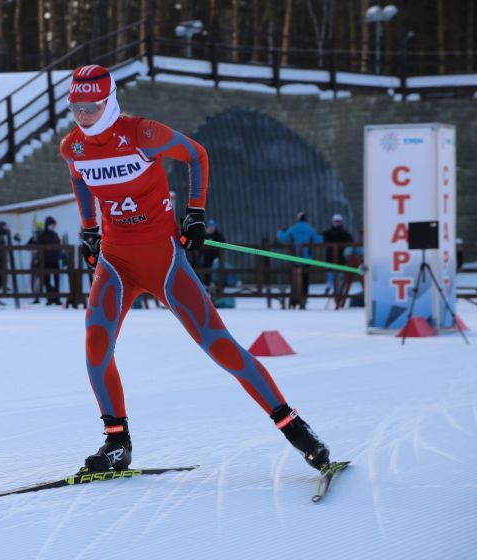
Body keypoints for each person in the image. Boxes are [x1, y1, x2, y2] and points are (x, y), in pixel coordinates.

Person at [59, 64, 331, 474]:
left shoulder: (142, 133)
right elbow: (79, 179)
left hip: (164, 262)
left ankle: (295, 428)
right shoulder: (73, 146)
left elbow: (197, 154)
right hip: (115, 262)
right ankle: (116, 442)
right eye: (76, 108)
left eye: (92, 108)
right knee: (96, 347)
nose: (83, 116)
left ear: (110, 102)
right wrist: (89, 229)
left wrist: (196, 213)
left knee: (220, 347)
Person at [276, 212, 323, 309]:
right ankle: (303, 299)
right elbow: (319, 240)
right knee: (305, 280)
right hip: (307, 260)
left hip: (295, 259)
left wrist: (279, 232)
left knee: (295, 280)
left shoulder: (293, 228)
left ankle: (294, 300)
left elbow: (283, 239)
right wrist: (323, 235)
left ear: (298, 218)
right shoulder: (310, 229)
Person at [321, 214, 354, 296]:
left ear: (341, 222)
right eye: (336, 221)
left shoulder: (345, 234)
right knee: (330, 275)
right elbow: (322, 241)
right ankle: (329, 286)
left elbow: (351, 243)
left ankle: (339, 292)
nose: (337, 223)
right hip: (330, 258)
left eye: (338, 221)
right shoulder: (327, 233)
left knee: (340, 277)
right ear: (332, 222)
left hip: (341, 259)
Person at [37, 216, 63, 305]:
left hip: (55, 260)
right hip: (46, 260)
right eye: (52, 225)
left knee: (56, 280)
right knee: (46, 280)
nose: (54, 227)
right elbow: (39, 246)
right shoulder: (42, 235)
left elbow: (59, 246)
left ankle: (56, 298)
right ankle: (50, 297)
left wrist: (61, 256)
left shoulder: (55, 234)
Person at [198, 219, 226, 286]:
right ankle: (207, 285)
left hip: (216, 258)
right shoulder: (204, 236)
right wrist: (199, 256)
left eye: (212, 226)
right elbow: (199, 247)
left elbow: (224, 246)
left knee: (217, 272)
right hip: (207, 258)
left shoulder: (218, 235)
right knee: (206, 271)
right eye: (209, 226)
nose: (211, 228)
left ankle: (219, 285)